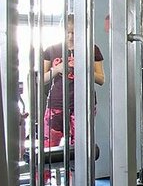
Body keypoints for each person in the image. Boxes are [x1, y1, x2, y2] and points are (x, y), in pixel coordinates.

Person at [42, 15, 105, 146]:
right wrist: (57, 69)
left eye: (74, 32)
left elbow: (101, 79)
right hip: (57, 104)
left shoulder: (92, 49)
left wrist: (84, 68)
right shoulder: (51, 50)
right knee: (49, 147)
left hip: (83, 103)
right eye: (68, 32)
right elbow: (41, 79)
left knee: (81, 147)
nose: (70, 37)